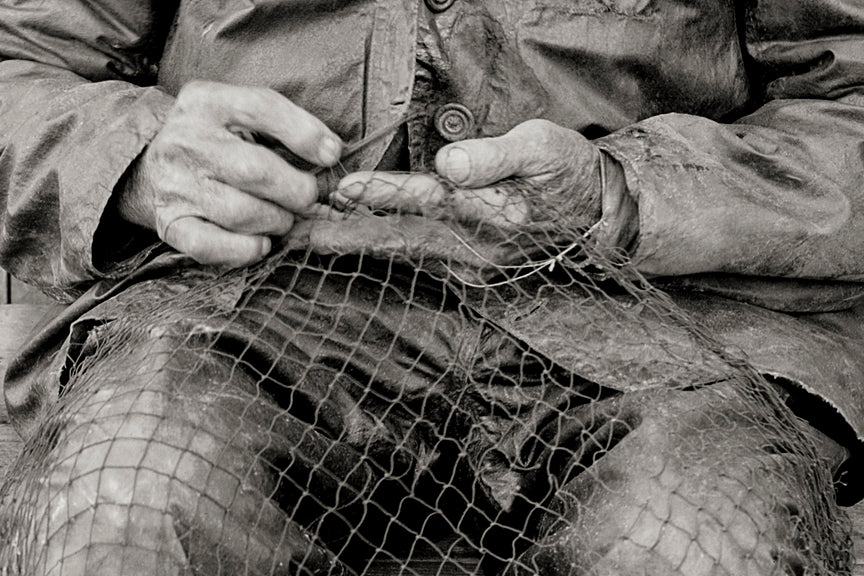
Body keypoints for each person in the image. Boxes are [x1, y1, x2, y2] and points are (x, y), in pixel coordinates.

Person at [0, 1, 862, 574]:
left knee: (703, 540)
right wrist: (143, 159)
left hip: (665, 320)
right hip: (238, 305)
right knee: (129, 509)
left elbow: (849, 94)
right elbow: (21, 63)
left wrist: (624, 192)